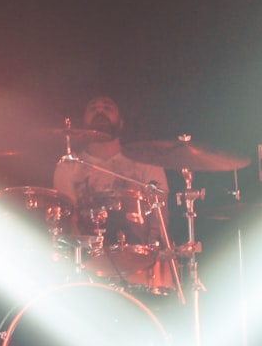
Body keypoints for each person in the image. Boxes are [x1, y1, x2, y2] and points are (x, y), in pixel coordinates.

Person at [52, 95, 176, 295]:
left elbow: (161, 215)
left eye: (108, 107)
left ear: (121, 122)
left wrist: (151, 252)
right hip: (90, 266)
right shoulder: (68, 167)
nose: (100, 112)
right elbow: (69, 220)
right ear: (83, 123)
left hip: (142, 262)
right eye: (93, 108)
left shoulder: (145, 163)